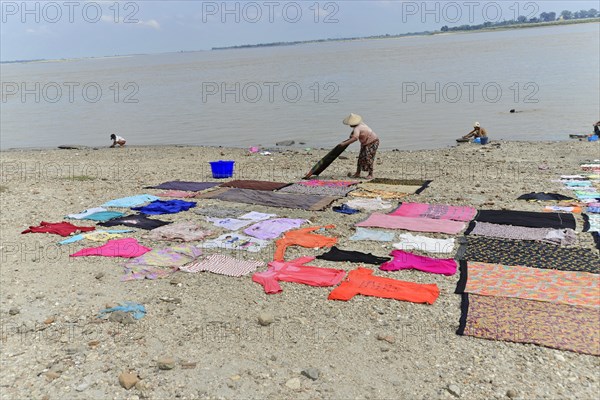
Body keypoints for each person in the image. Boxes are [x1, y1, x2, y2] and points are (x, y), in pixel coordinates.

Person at [339, 113, 380, 179]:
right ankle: (357, 173)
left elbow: (355, 138)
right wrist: (351, 135)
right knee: (361, 157)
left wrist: (344, 144)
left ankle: (371, 174)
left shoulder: (357, 128)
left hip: (373, 142)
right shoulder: (360, 125)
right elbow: (354, 134)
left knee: (368, 157)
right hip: (366, 143)